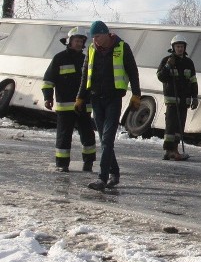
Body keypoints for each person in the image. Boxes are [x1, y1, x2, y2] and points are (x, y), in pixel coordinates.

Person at [76, 21, 141, 191]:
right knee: (104, 140)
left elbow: (133, 71)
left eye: (98, 36)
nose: (95, 40)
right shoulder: (91, 50)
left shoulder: (121, 47)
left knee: (107, 139)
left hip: (113, 99)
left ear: (106, 34)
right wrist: (80, 97)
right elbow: (85, 74)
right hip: (96, 98)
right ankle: (115, 173)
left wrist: (136, 94)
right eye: (93, 37)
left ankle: (102, 178)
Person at [41, 27, 97, 173]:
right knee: (64, 136)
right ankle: (62, 164)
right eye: (77, 40)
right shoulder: (59, 58)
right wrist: (48, 97)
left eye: (81, 41)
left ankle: (89, 163)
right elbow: (48, 80)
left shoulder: (87, 59)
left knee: (88, 136)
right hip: (65, 106)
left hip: (84, 105)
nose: (79, 44)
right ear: (69, 41)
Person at [156, 34, 199, 161]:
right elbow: (161, 77)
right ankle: (170, 151)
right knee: (171, 126)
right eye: (177, 46)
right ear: (173, 47)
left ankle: (174, 149)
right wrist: (168, 66)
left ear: (185, 48)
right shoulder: (166, 60)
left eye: (181, 46)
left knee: (179, 127)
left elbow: (193, 81)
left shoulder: (188, 63)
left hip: (184, 101)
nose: (179, 49)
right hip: (172, 101)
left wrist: (194, 97)